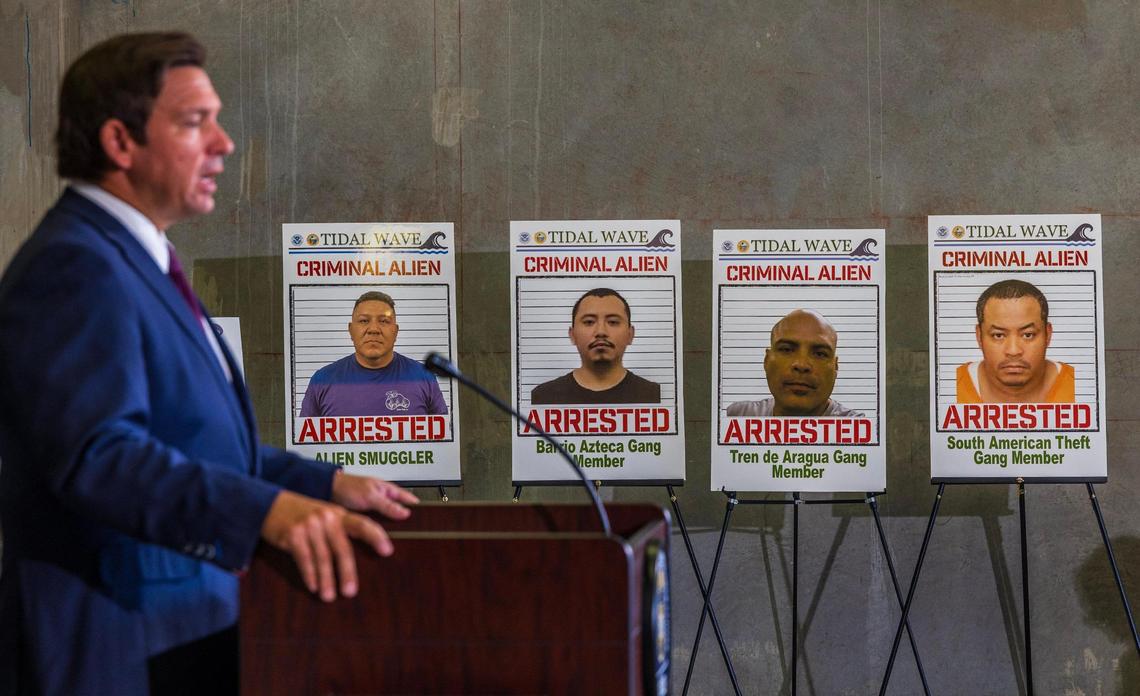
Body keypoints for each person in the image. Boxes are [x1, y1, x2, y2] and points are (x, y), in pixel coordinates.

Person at [0, 33, 418, 695]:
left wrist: (322, 483)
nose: (224, 143)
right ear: (120, 142)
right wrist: (262, 513)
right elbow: (97, 456)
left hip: (179, 632)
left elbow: (191, 441)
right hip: (115, 648)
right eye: (197, 123)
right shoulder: (74, 266)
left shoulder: (138, 260)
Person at [300, 291, 448, 418]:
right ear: (351, 330)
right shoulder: (322, 380)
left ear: (395, 332)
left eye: (384, 321)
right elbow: (304, 446)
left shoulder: (423, 377)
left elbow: (445, 440)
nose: (373, 329)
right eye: (364, 321)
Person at [530, 287, 661, 404]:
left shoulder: (654, 396)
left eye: (613, 322)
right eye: (589, 322)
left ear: (630, 334)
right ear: (572, 334)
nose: (601, 332)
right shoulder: (543, 397)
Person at [956, 279, 1075, 403]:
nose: (1013, 351)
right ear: (979, 336)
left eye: (1028, 335)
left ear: (1048, 335)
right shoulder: (950, 384)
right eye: (998, 335)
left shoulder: (1080, 384)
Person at [727, 309, 863, 417]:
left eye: (820, 354)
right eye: (786, 349)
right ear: (767, 361)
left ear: (835, 367)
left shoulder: (859, 430)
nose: (802, 365)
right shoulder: (736, 416)